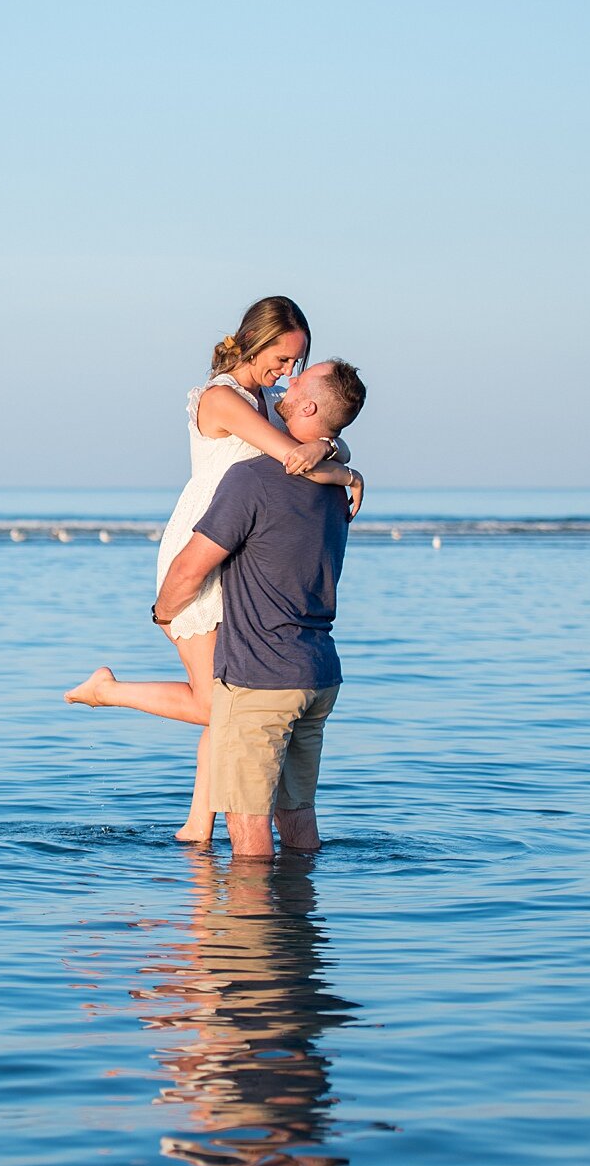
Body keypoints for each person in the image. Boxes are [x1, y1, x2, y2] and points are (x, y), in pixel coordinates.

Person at [66, 297, 363, 841]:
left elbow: (317, 430)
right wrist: (346, 473)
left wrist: (332, 444)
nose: (289, 373)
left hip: (244, 553)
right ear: (256, 339)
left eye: (299, 362)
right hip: (202, 548)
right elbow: (292, 458)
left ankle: (196, 830)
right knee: (214, 702)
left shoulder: (272, 397)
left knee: (231, 692)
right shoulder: (223, 398)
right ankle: (109, 692)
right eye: (283, 357)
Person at [151, 358, 367, 857]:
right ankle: (300, 928)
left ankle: (249, 932)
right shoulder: (337, 492)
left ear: (309, 406)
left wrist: (163, 613)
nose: (287, 381)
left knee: (249, 842)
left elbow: (189, 569)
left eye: (300, 379)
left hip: (260, 682)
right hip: (318, 677)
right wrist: (340, 459)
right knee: (299, 825)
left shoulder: (251, 479)